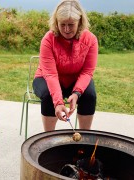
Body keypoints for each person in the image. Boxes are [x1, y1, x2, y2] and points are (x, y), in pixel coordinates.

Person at [33, 0, 98, 131]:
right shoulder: (48, 39)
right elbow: (50, 74)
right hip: (46, 77)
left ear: (79, 22)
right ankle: (48, 138)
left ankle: (83, 137)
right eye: (62, 25)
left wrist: (77, 93)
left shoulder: (90, 39)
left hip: (76, 80)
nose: (66, 30)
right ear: (56, 23)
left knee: (90, 95)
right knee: (47, 95)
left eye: (71, 25)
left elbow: (87, 72)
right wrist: (58, 102)